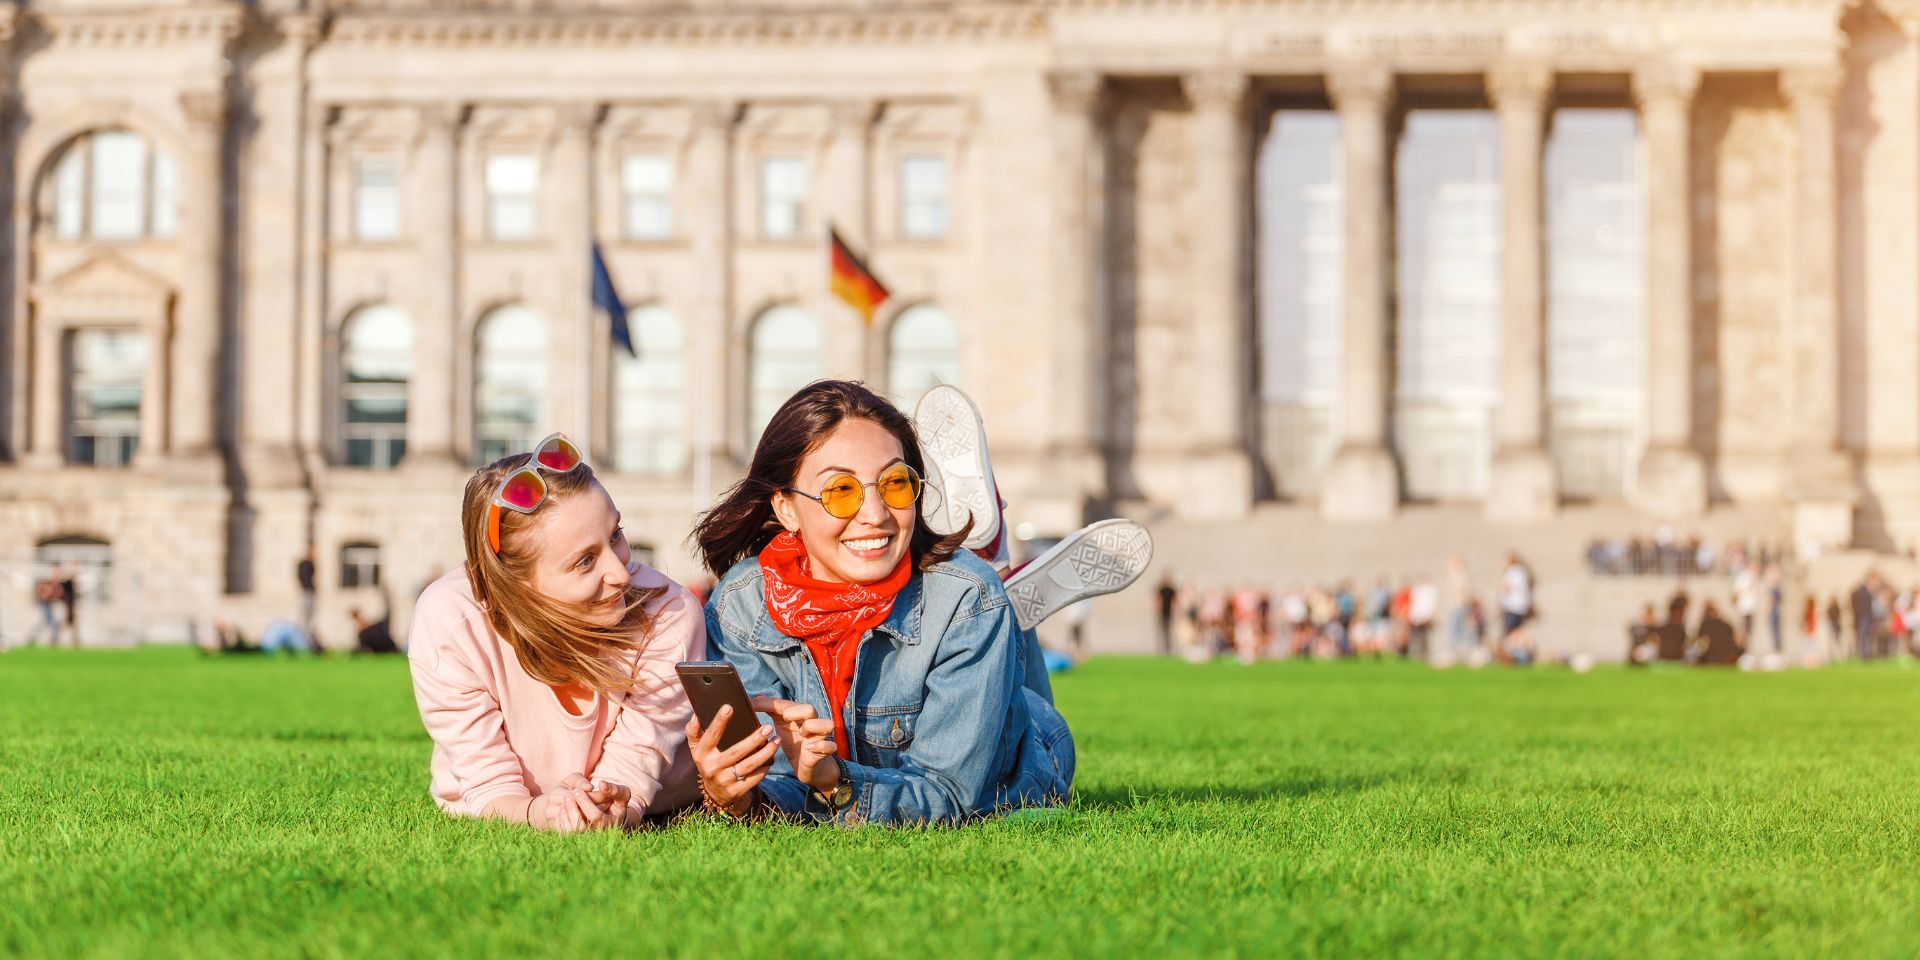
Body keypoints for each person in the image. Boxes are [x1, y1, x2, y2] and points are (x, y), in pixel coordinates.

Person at [695, 381, 1093, 825]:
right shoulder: (742, 603)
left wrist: (834, 782)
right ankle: (992, 569)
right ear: (786, 508)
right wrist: (738, 796)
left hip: (1024, 755)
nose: (876, 514)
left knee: (982, 598)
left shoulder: (962, 599)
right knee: (987, 598)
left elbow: (948, 795)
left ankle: (991, 569)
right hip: (973, 613)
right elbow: (778, 783)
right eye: (841, 490)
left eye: (895, 484)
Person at [408, 432, 712, 831]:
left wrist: (611, 806)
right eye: (585, 561)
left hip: (658, 805)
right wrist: (541, 812)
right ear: (514, 584)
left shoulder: (669, 612)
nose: (621, 574)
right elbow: (489, 785)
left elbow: (635, 765)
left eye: (616, 535)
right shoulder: (450, 621)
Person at [1499, 552, 1534, 641]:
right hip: (1519, 606)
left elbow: (1508, 587)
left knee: (1511, 630)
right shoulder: (1521, 571)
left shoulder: (1514, 571)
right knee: (1517, 629)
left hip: (1513, 606)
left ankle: (1511, 646)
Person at [1696, 601, 1743, 666]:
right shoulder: (1726, 624)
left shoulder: (1704, 625)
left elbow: (1700, 644)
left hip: (1712, 658)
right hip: (1727, 657)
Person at [1851, 572, 1880, 661]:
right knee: (1863, 635)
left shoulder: (1869, 591)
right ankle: (1863, 654)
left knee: (1867, 635)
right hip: (1864, 616)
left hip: (1867, 616)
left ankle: (1866, 653)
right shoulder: (1863, 591)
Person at [297, 545, 318, 643]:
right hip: (306, 592)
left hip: (309, 592)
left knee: (309, 616)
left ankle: (307, 636)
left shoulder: (310, 564)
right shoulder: (305, 564)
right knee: (305, 616)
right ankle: (303, 638)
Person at [1154, 576, 1176, 655]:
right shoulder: (1161, 589)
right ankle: (1160, 649)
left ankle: (1168, 649)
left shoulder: (1171, 590)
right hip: (1162, 613)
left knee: (1168, 632)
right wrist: (1158, 610)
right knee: (1161, 631)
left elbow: (1174, 601)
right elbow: (1158, 600)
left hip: (1169, 613)